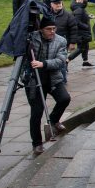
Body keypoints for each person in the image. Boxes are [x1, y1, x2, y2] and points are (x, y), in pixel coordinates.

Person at [24, 17, 71, 155]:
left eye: (54, 29)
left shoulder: (61, 41)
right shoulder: (31, 38)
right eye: (48, 29)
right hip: (34, 81)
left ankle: (54, 120)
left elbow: (61, 60)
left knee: (64, 99)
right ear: (41, 29)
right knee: (36, 112)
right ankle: (37, 144)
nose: (52, 31)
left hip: (53, 78)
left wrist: (43, 64)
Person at [70, 0, 94, 67]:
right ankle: (67, 60)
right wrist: (86, 26)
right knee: (81, 48)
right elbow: (76, 21)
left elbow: (80, 17)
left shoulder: (80, 8)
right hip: (81, 32)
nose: (86, 1)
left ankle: (85, 61)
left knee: (86, 46)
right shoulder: (79, 9)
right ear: (80, 0)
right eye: (85, 0)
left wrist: (88, 16)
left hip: (83, 32)